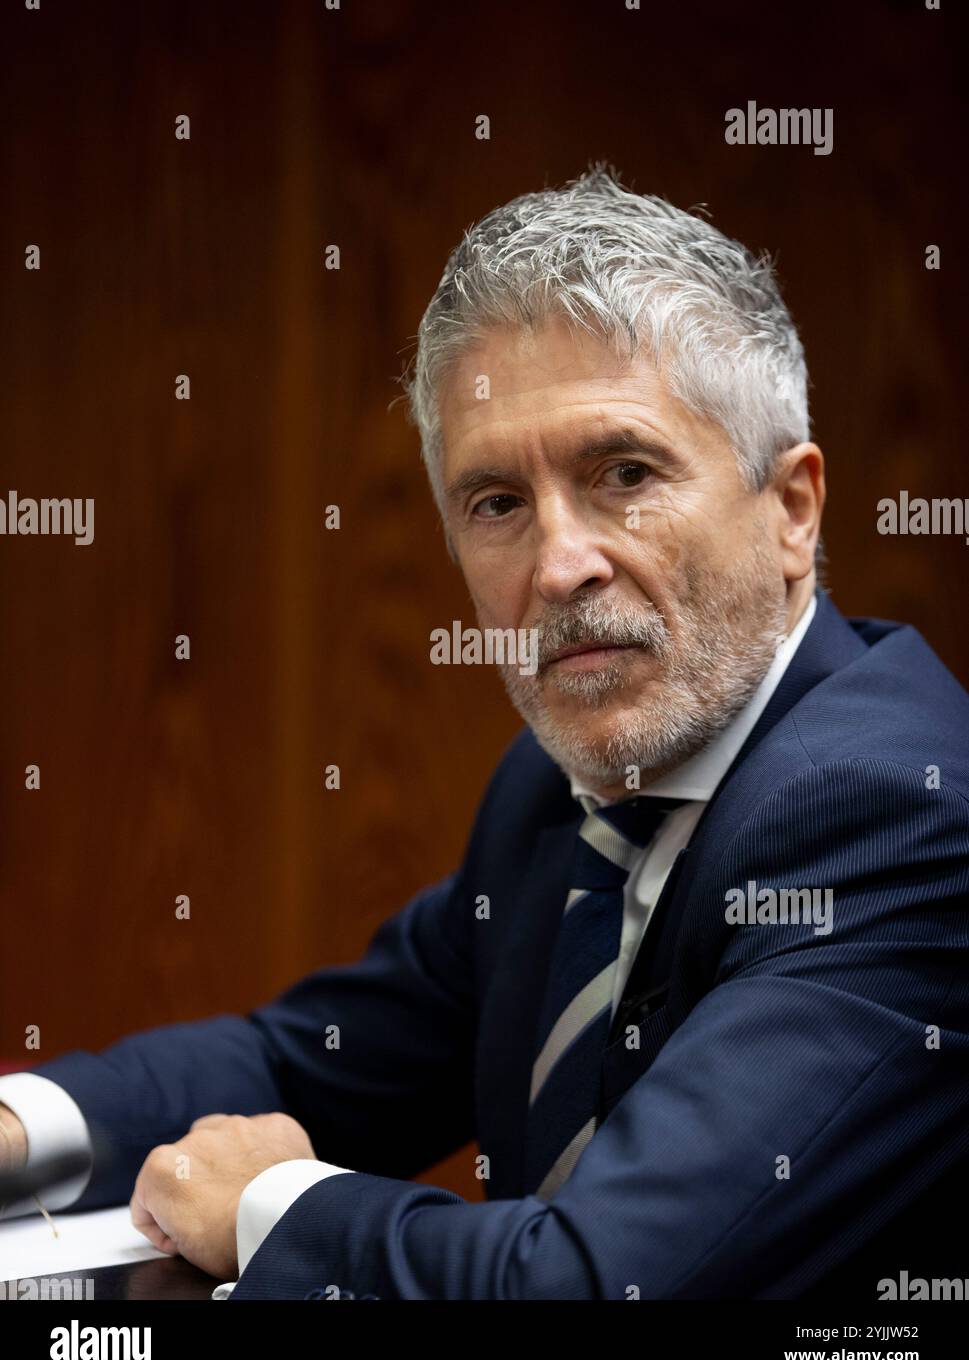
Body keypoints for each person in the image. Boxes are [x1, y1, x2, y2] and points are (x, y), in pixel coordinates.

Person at [2, 165, 967, 1300]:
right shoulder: (564, 793)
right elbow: (302, 1060)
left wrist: (269, 1204)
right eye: (498, 502)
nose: (560, 567)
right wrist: (24, 1126)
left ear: (792, 508)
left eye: (625, 473)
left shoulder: (898, 815)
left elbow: (601, 1284)